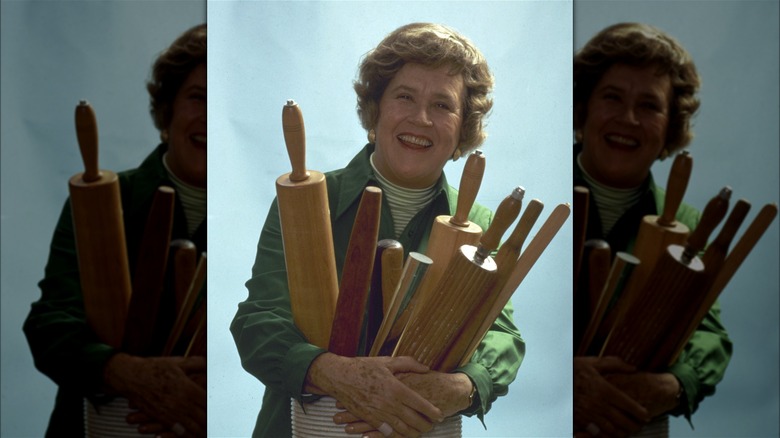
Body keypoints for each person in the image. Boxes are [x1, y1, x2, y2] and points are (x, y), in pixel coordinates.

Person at [231, 22, 525, 437]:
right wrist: (334, 374)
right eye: (405, 96)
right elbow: (259, 319)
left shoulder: (481, 225)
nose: (421, 118)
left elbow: (500, 333)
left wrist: (462, 386)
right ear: (376, 110)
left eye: (443, 105)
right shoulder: (308, 200)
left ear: (463, 130)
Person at [23, 23, 207, 437]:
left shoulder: (255, 217)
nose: (208, 119)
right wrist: (125, 373)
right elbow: (50, 324)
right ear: (168, 112)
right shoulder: (104, 201)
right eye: (198, 98)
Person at [571, 23, 732, 437]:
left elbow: (707, 332)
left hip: (634, 421)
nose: (628, 118)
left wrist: (671, 385)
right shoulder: (545, 203)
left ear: (669, 129)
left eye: (649, 105)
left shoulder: (690, 228)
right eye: (612, 97)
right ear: (583, 106)